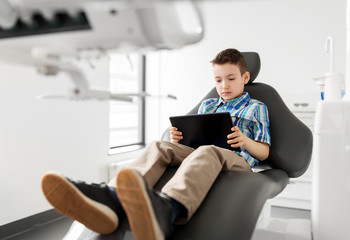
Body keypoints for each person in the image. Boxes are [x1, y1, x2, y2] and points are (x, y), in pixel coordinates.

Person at [41, 48, 271, 240]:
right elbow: (194, 141)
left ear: (245, 78)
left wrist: (246, 141)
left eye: (231, 79)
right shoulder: (208, 106)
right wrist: (180, 139)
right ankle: (111, 198)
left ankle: (168, 209)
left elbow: (264, 151)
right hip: (202, 153)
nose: (224, 86)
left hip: (237, 162)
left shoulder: (256, 107)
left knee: (208, 150)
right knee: (159, 146)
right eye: (218, 80)